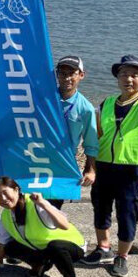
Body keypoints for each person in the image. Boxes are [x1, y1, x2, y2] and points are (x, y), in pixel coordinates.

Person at [84, 38, 138, 277]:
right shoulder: (106, 103)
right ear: (117, 78)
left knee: (128, 213)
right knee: (100, 208)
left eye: (135, 74)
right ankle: (103, 248)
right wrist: (90, 165)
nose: (128, 79)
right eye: (124, 74)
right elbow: (97, 137)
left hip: (133, 169)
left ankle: (122, 256)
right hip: (104, 166)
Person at [0, 177, 86, 277]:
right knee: (11, 247)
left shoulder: (36, 204)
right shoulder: (6, 216)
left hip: (71, 247)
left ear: (16, 190)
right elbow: (2, 244)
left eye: (5, 193)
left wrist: (44, 204)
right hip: (43, 250)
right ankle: (38, 266)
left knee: (55, 246)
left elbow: (64, 225)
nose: (3, 199)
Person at [54, 55, 99, 208]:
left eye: (72, 73)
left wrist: (90, 169)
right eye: (62, 73)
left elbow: (91, 142)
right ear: (56, 74)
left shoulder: (85, 108)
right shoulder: (44, 100)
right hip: (38, 158)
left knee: (52, 209)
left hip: (64, 163)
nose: (67, 78)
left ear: (81, 75)